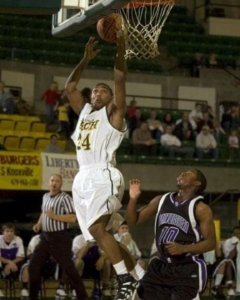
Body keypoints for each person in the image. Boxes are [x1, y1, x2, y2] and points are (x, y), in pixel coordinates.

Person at [65, 35, 137, 300]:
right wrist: (85, 60)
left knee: (97, 229)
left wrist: (120, 46)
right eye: (95, 90)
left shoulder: (114, 114)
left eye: (102, 91)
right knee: (102, 234)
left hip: (103, 173)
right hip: (82, 177)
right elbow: (70, 88)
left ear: (109, 99)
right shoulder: (84, 112)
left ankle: (125, 280)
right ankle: (138, 276)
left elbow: (119, 78)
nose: (97, 93)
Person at [126, 169, 216, 300]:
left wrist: (184, 248)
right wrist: (133, 198)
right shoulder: (161, 200)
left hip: (187, 266)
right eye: (183, 172)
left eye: (188, 173)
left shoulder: (201, 208)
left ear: (197, 183)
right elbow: (132, 220)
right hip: (161, 265)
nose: (183, 173)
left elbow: (211, 243)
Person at [28, 174, 88, 300]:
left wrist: (53, 216)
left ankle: (83, 296)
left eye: (57, 181)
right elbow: (44, 212)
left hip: (59, 237)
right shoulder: (45, 196)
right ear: (48, 182)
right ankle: (33, 296)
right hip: (45, 237)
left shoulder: (65, 197)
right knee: (33, 266)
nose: (54, 183)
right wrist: (39, 224)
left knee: (69, 269)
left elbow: (72, 217)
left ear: (61, 184)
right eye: (52, 180)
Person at [0, 223, 29, 299]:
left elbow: (21, 257)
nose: (9, 233)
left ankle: (24, 289)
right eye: (7, 231)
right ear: (3, 232)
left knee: (26, 267)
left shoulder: (18, 239)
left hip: (16, 262)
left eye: (11, 231)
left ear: (14, 232)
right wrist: (9, 263)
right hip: (3, 262)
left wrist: (11, 264)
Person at [211, 227, 240, 298]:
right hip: (225, 263)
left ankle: (217, 287)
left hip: (234, 265)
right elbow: (222, 255)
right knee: (226, 262)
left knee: (227, 262)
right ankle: (225, 287)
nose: (237, 235)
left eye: (239, 234)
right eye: (235, 233)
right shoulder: (229, 241)